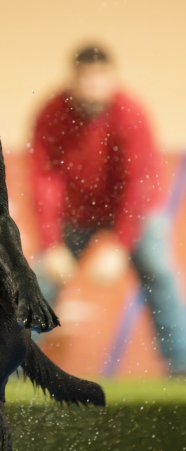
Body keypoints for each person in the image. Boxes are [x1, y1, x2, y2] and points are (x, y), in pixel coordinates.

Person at [30, 44, 186, 374]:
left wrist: (121, 243)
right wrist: (51, 243)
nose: (92, 86)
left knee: (159, 271)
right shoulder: (52, 112)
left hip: (134, 213)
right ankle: (12, 364)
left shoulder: (131, 113)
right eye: (85, 78)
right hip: (77, 214)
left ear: (111, 78)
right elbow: (45, 178)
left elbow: (137, 184)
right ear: (73, 79)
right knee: (41, 276)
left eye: (99, 78)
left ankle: (182, 365)